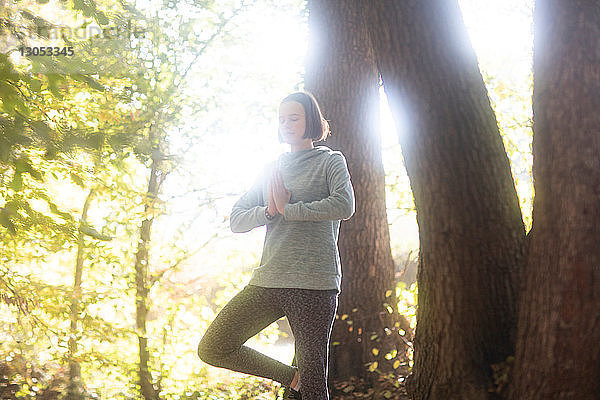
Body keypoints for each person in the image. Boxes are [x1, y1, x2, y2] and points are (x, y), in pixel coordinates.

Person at [197, 91, 355, 400]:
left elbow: (344, 205)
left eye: (293, 118)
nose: (285, 124)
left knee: (312, 387)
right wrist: (269, 211)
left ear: (311, 120)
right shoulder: (271, 169)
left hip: (314, 285)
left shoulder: (330, 161)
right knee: (214, 346)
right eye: (282, 119)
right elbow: (237, 219)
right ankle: (290, 377)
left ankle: (300, 381)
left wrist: (288, 209)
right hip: (268, 281)